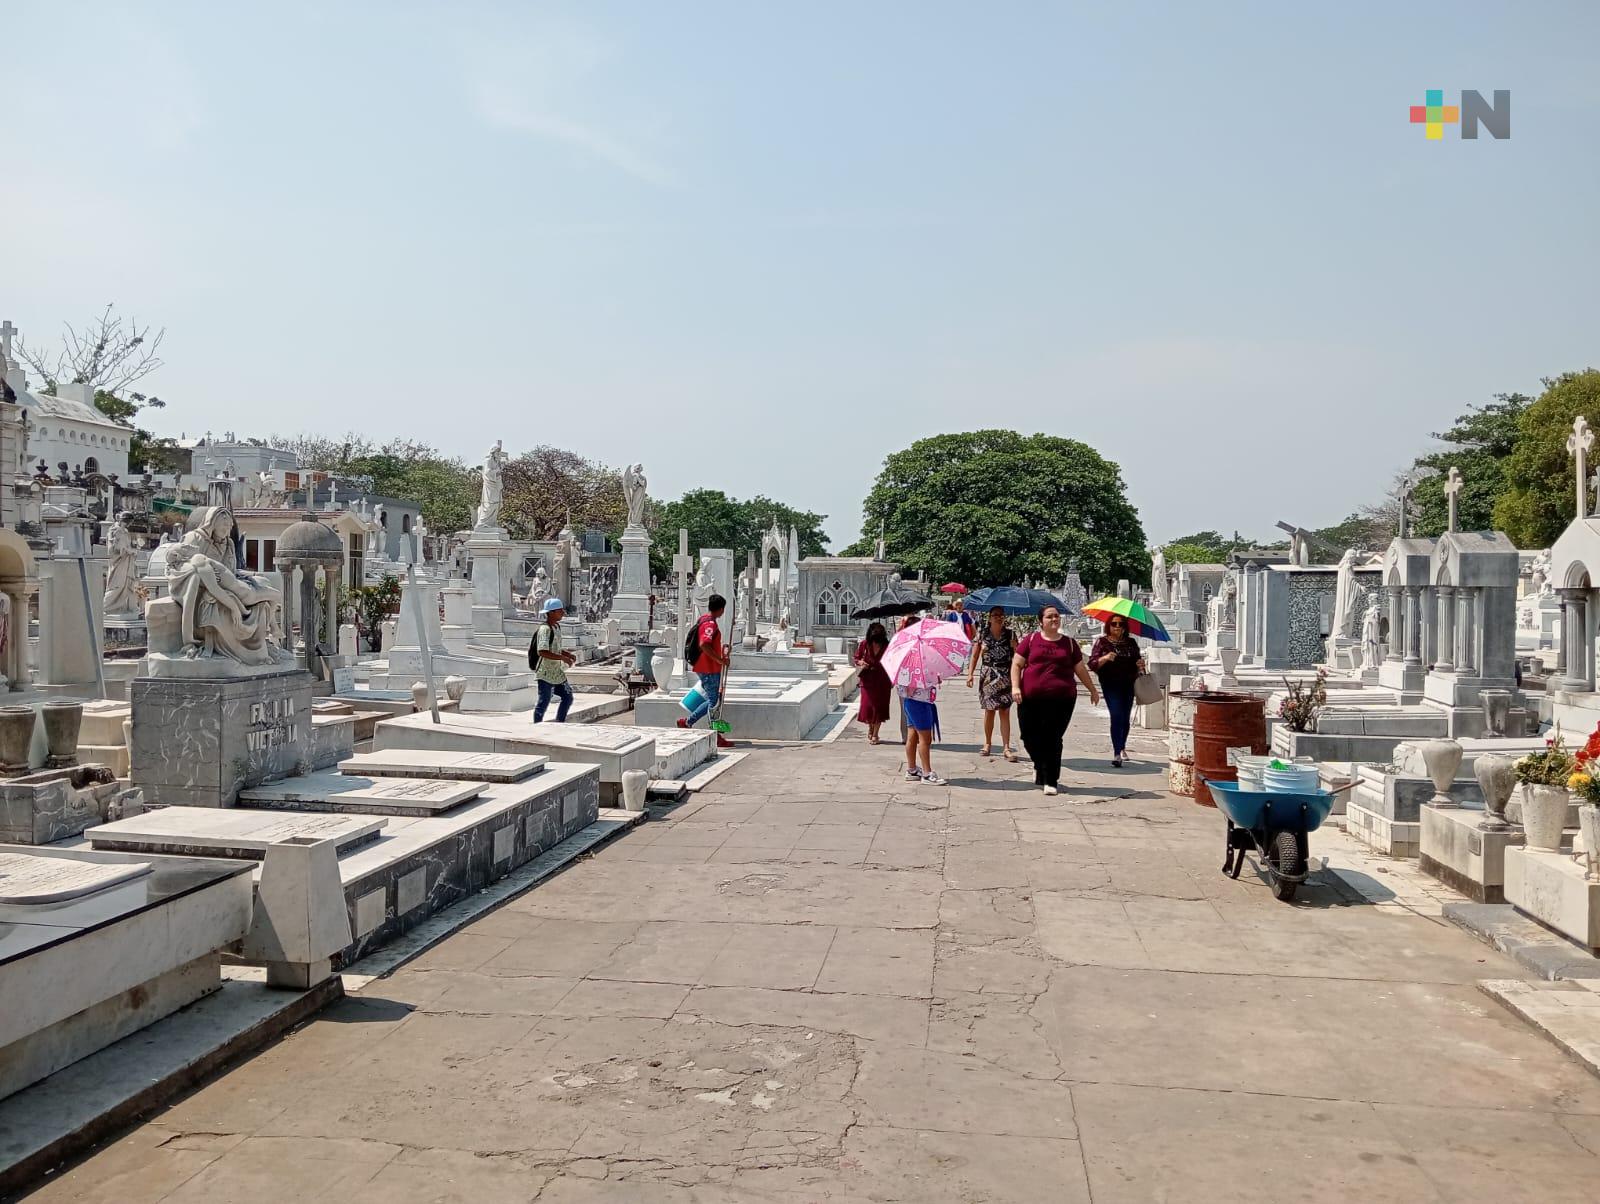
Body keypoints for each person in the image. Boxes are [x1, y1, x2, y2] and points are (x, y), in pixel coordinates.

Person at [1011, 603, 1099, 795]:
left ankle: (1051, 780)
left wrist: (1092, 689)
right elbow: (1017, 664)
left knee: (1053, 738)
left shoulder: (1069, 643)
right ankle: (1040, 766)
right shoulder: (1031, 640)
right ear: (1041, 621)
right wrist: (1016, 686)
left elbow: (1080, 669)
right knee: (1029, 736)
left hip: (1062, 699)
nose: (1054, 619)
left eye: (1056, 616)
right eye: (1049, 616)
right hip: (1030, 698)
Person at [678, 593, 734, 748]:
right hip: (708, 668)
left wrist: (722, 653)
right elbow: (704, 644)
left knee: (713, 700)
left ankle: (691, 723)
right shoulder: (710, 624)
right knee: (714, 703)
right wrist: (720, 660)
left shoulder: (703, 619)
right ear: (721, 609)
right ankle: (710, 732)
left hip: (708, 667)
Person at [1089, 615, 1145, 767]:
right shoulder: (1102, 642)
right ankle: (1116, 752)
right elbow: (1092, 663)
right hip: (1110, 684)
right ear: (1109, 626)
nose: (1117, 626)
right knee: (1116, 715)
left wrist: (1141, 665)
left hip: (1128, 684)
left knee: (1125, 718)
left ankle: (1122, 745)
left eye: (1121, 624)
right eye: (1114, 624)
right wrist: (1105, 658)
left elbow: (1138, 663)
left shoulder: (1131, 643)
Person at [966, 605, 1018, 761]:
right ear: (989, 617)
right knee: (989, 710)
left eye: (1001, 615)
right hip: (988, 675)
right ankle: (987, 743)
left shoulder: (1010, 634)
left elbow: (1018, 657)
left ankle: (1006, 747)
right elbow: (974, 656)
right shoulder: (983, 634)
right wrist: (970, 674)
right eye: (995, 615)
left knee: (1004, 711)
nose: (998, 617)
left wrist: (1016, 648)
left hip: (1005, 675)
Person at [530, 597, 576, 722]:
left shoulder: (556, 627)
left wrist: (567, 654)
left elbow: (555, 648)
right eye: (559, 611)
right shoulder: (545, 630)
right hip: (545, 672)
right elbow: (542, 651)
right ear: (550, 613)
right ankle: (537, 725)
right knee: (544, 701)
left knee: (567, 697)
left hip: (556, 672)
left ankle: (560, 721)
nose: (562, 613)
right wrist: (563, 658)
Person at [900, 676, 947, 785]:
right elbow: (912, 688)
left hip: (910, 702)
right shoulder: (918, 668)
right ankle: (927, 773)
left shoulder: (908, 667)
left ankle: (912, 769)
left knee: (912, 736)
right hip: (920, 703)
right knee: (925, 739)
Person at [854, 621, 893, 744]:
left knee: (879, 707)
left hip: (883, 679)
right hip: (868, 679)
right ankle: (870, 726)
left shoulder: (888, 646)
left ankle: (876, 734)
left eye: (879, 631)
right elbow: (856, 658)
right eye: (875, 631)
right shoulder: (865, 644)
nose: (877, 633)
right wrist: (861, 663)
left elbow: (893, 662)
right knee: (868, 707)